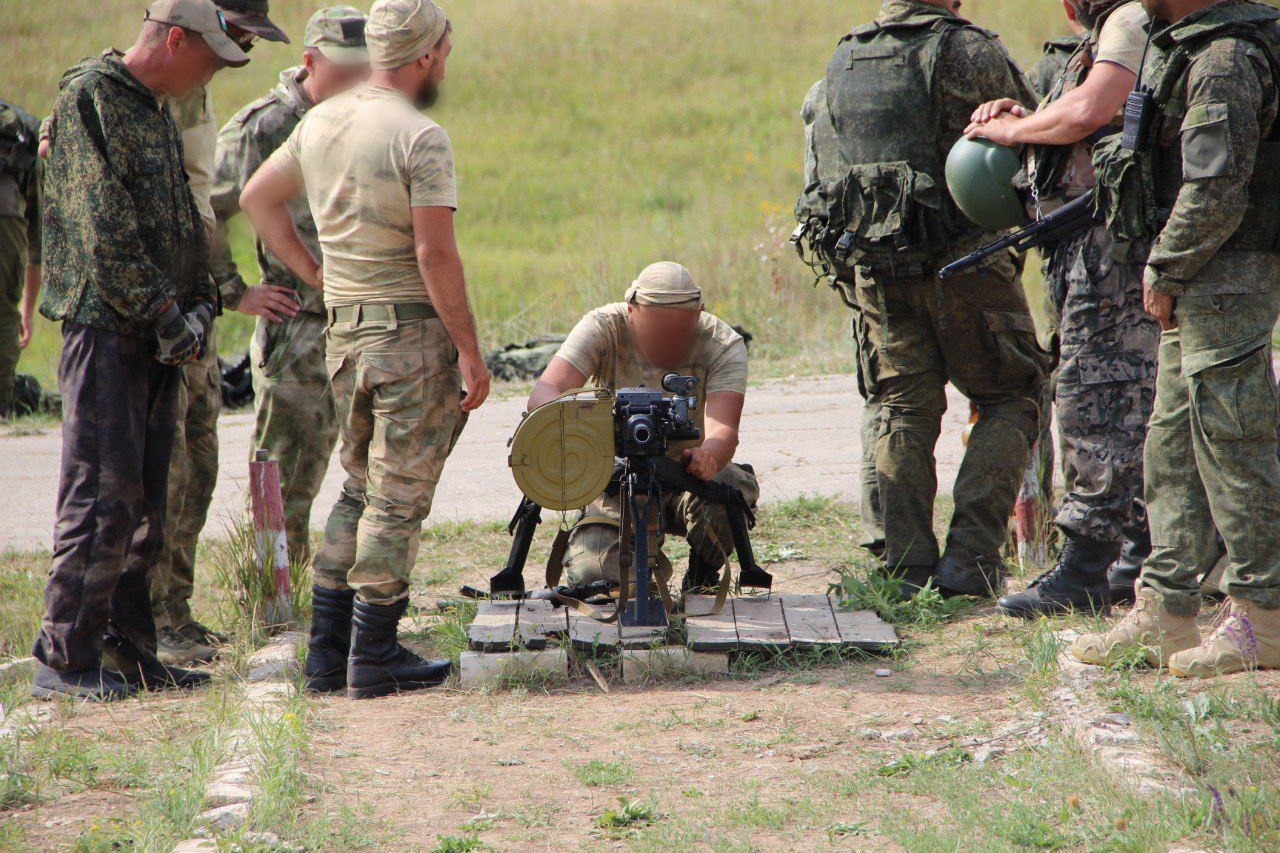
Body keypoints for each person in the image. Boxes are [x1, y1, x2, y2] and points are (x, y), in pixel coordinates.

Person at [241, 0, 490, 700]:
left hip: (344, 336)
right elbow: (434, 253)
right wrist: (469, 350)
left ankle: (328, 652)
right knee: (396, 498)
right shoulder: (420, 134)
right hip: (408, 337)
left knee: (357, 486)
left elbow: (259, 199)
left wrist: (317, 275)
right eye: (443, 50)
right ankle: (374, 654)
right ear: (424, 57)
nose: (445, 61)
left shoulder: (321, 120)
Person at [30, 0, 251, 701]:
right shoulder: (91, 98)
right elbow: (104, 229)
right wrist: (164, 312)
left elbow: (181, 213)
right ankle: (65, 657)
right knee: (101, 494)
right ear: (174, 38)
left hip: (158, 332)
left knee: (148, 501)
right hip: (109, 331)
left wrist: (200, 298)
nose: (212, 71)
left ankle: (129, 650)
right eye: (209, 55)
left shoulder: (155, 105)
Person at [796, 0, 1050, 599]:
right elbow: (1042, 138)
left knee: (902, 408)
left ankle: (904, 568)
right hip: (965, 263)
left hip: (878, 270)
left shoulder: (845, 59)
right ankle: (970, 561)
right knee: (1012, 394)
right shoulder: (967, 51)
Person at [1073, 0, 1280, 678]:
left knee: (1233, 439)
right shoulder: (1187, 44)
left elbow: (1218, 187)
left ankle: (1264, 616)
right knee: (1171, 442)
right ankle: (1165, 609)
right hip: (1199, 270)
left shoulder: (1224, 59)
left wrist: (1166, 265)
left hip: (1227, 268)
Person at [965, 0, 1159, 617]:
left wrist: (1012, 131)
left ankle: (1085, 573)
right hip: (1087, 252)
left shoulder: (1130, 20)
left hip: (1113, 253)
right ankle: (1134, 559)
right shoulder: (1102, 36)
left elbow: (1093, 110)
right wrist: (1028, 121)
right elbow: (1086, 125)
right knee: (1123, 402)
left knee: (1095, 403)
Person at [149, 0, 289, 667]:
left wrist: (223, 294)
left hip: (196, 314)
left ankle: (175, 611)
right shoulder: (149, 92)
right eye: (239, 35)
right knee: (167, 472)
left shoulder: (198, 97)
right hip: (159, 315)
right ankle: (152, 617)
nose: (245, 50)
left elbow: (209, 205)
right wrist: (233, 292)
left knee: (200, 465)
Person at [211, 6, 370, 575]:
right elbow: (204, 206)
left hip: (352, 324)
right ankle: (272, 596)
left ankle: (315, 589)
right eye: (347, 69)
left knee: (338, 472)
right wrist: (234, 290)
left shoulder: (365, 118)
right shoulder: (267, 126)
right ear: (309, 62)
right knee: (280, 476)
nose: (359, 80)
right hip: (296, 327)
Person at [527, 263, 758, 594]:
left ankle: (703, 573)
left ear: (700, 314)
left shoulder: (721, 344)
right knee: (598, 581)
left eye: (680, 332)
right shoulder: (603, 327)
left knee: (731, 488)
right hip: (615, 481)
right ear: (631, 311)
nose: (668, 343)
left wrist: (708, 456)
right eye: (656, 330)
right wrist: (591, 431)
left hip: (684, 478)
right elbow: (543, 397)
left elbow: (724, 430)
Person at [0, 100, 41, 420]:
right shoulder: (23, 137)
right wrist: (25, 312)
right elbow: (37, 245)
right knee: (4, 314)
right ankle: (2, 406)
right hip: (6, 214)